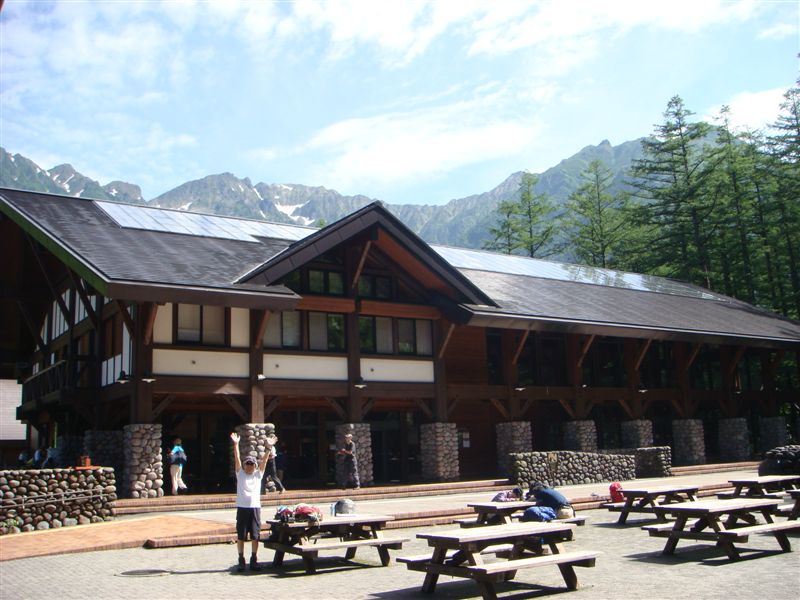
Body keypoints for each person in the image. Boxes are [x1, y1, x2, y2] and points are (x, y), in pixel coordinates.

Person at [231, 431, 269, 572]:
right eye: (247, 463)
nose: (249, 466)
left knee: (255, 535)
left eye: (251, 464)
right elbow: (237, 458)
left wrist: (268, 448)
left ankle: (254, 559)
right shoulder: (240, 474)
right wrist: (236, 444)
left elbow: (264, 462)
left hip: (254, 508)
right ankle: (241, 559)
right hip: (242, 508)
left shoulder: (258, 475)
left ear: (255, 465)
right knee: (241, 536)